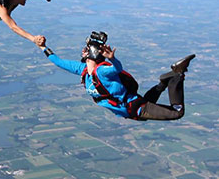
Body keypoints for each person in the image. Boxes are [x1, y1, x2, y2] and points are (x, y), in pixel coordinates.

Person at [39, 31, 195, 121]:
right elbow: (57, 61)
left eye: (86, 49)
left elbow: (118, 68)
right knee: (145, 106)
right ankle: (163, 82)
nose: (83, 51)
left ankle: (176, 75)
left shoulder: (102, 71)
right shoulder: (82, 70)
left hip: (133, 107)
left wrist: (112, 58)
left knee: (177, 113)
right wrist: (43, 47)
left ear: (90, 54)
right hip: (131, 106)